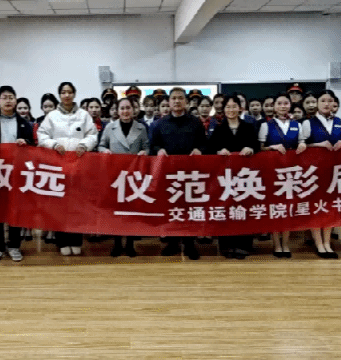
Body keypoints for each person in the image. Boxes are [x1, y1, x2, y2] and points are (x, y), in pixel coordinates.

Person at [37, 81, 97, 255]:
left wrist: (84, 145)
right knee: (59, 205)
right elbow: (42, 134)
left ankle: (76, 240)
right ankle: (62, 241)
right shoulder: (52, 116)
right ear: (60, 95)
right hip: (58, 165)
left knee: (77, 204)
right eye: (63, 92)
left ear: (74, 94)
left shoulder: (84, 115)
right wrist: (54, 144)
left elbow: (92, 134)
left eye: (70, 92)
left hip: (79, 165)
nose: (67, 95)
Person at [150, 87, 207, 260]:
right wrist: (159, 150)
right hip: (169, 174)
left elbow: (204, 144)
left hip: (191, 173)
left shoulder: (195, 122)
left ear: (186, 102)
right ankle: (172, 241)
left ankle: (190, 243)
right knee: (171, 208)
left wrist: (199, 149)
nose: (176, 101)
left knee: (189, 208)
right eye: (173, 98)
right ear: (168, 102)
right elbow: (153, 145)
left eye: (180, 98)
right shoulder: (160, 123)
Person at [0, 85, 34, 263]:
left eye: (11, 97)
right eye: (5, 97)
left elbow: (33, 144)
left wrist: (25, 142)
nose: (8, 100)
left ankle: (14, 246)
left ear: (16, 100)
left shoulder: (25, 123)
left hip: (17, 171)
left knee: (15, 209)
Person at [206, 94, 258, 259]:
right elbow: (209, 149)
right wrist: (218, 151)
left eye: (234, 106)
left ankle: (244, 245)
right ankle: (227, 245)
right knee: (226, 209)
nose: (231, 110)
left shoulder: (248, 127)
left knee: (244, 209)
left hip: (245, 176)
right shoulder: (219, 128)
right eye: (227, 107)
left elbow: (256, 146)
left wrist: (251, 148)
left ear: (240, 108)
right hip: (225, 178)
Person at [99, 97, 150, 257]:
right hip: (115, 175)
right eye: (122, 108)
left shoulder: (141, 128)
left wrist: (145, 152)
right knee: (116, 210)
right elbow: (101, 145)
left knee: (132, 211)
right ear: (117, 111)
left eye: (128, 108)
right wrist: (105, 151)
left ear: (133, 110)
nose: (125, 111)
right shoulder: (110, 127)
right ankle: (116, 243)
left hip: (134, 174)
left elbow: (147, 146)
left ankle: (130, 244)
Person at [258, 93, 307, 258]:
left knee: (288, 209)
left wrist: (302, 144)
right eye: (279, 103)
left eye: (286, 103)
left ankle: (285, 244)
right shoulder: (266, 125)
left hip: (291, 172)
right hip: (272, 172)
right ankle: (276, 244)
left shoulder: (296, 124)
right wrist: (272, 147)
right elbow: (260, 148)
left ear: (290, 105)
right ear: (274, 106)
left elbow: (302, 141)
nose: (283, 106)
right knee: (275, 208)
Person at [300, 89, 341, 259]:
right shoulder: (307, 123)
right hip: (313, 171)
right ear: (317, 104)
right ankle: (319, 244)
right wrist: (317, 145)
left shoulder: (339, 122)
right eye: (323, 100)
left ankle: (327, 243)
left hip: (334, 171)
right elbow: (301, 146)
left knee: (330, 208)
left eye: (330, 100)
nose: (327, 104)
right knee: (315, 207)